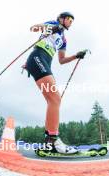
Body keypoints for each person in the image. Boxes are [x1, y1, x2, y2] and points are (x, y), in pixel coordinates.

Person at [23, 12, 87, 154]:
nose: (70, 22)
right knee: (55, 98)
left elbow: (62, 60)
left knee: (53, 100)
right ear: (61, 19)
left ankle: (49, 142)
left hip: (46, 62)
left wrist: (76, 56)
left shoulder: (63, 39)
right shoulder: (53, 24)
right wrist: (51, 29)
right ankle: (52, 141)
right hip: (37, 57)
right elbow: (33, 28)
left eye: (72, 21)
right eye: (69, 19)